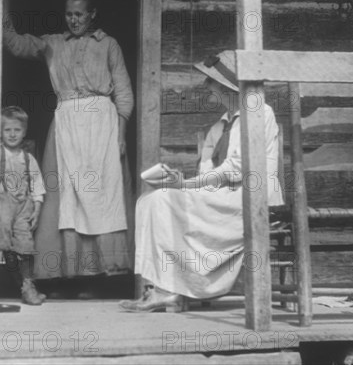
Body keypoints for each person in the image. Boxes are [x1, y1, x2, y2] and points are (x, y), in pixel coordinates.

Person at [118, 50, 284, 312]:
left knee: (162, 201)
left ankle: (169, 289)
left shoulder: (260, 112)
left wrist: (188, 186)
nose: (208, 88)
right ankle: (162, 287)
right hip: (223, 197)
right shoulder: (219, 127)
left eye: (212, 81)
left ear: (229, 86)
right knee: (150, 200)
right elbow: (209, 175)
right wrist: (180, 181)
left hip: (250, 198)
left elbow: (240, 168)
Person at [3, 0, 135, 291]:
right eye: (69, 14)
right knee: (66, 197)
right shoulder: (53, 44)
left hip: (102, 123)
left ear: (92, 14)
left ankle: (104, 276)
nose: (73, 20)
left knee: (101, 197)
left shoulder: (109, 45)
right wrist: (3, 8)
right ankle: (67, 275)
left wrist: (122, 134)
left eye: (79, 14)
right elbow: (16, 44)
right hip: (67, 121)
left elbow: (124, 91)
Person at [0, 106, 46, 305]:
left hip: (23, 207)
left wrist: (37, 207)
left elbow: (37, 185)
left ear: (24, 132)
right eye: (7, 130)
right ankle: (9, 284)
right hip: (2, 206)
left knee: (25, 244)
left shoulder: (28, 158)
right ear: (0, 131)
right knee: (4, 244)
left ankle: (28, 285)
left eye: (17, 130)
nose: (12, 134)